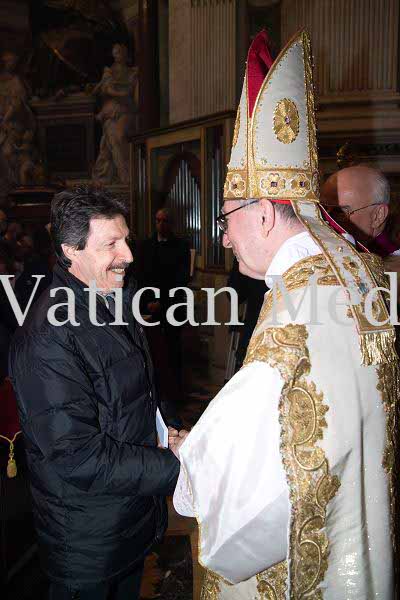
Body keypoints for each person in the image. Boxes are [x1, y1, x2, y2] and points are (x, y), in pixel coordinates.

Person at [171, 30, 398, 598]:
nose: (225, 238)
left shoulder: (296, 307)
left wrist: (188, 451)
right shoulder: (360, 267)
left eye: (226, 219)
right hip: (366, 516)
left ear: (266, 215)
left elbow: (252, 446)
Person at [9, 187, 181, 599]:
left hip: (129, 516)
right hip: (87, 538)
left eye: (127, 240)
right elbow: (77, 456)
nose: (129, 254)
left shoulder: (113, 295)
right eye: (111, 244)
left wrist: (168, 430)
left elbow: (142, 387)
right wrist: (178, 465)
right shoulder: (48, 337)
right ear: (71, 250)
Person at [134, 207, 191, 393]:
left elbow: (180, 279)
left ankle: (175, 391)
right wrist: (148, 301)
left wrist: (163, 302)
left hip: (172, 305)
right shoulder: (146, 246)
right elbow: (141, 276)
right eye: (158, 220)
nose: (160, 225)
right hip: (149, 305)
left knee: (173, 350)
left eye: (164, 221)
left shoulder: (181, 246)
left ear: (171, 224)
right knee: (152, 350)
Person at [321, 165, 398, 254]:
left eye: (339, 212)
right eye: (323, 209)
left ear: (378, 215)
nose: (325, 220)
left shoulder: (392, 260)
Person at [92, 44, 138, 184]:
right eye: (116, 52)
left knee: (120, 136)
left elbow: (133, 90)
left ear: (126, 54)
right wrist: (122, 94)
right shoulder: (109, 72)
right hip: (111, 111)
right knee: (111, 140)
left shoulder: (133, 72)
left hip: (126, 109)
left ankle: (128, 175)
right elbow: (106, 89)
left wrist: (125, 95)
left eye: (120, 52)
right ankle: (121, 176)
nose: (118, 54)